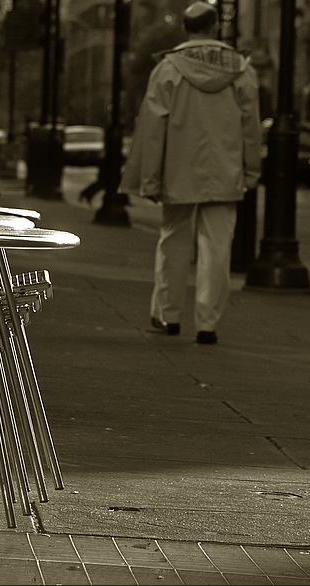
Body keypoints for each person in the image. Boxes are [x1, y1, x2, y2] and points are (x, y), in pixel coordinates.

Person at [120, 1, 261, 345]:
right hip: (225, 171)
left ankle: (168, 315)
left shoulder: (169, 69)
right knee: (217, 248)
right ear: (215, 28)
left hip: (178, 170)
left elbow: (154, 128)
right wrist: (251, 169)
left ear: (186, 28)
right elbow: (251, 127)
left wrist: (150, 177)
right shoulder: (241, 69)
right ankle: (207, 323)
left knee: (173, 240)